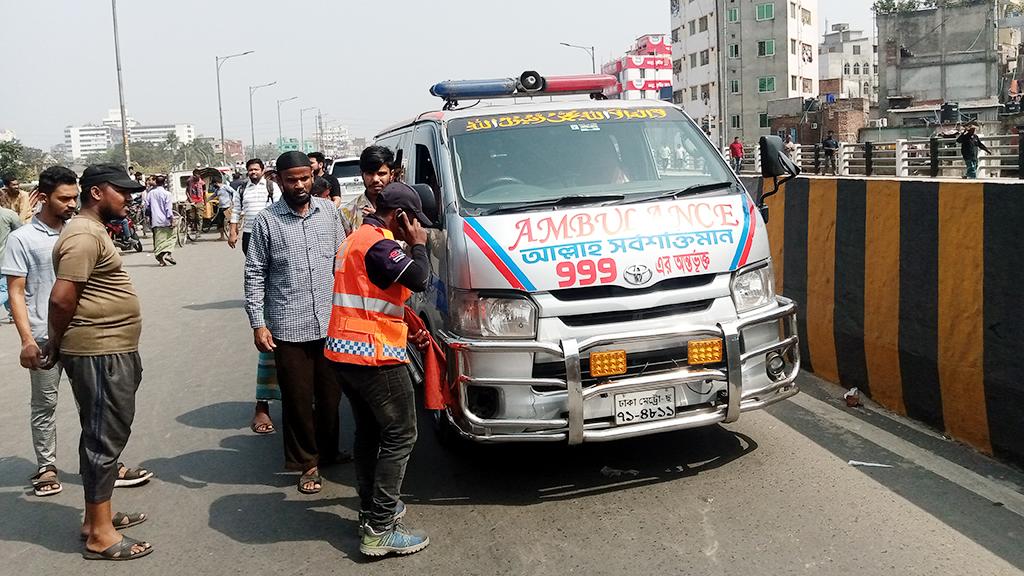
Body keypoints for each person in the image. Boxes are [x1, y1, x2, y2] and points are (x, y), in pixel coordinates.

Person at [44, 164, 153, 561]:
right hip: (100, 351)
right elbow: (61, 298)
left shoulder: (91, 232)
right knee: (104, 440)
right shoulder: (83, 234)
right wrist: (55, 343)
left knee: (98, 434)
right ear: (96, 193)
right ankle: (100, 536)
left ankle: (95, 519)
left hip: (110, 349)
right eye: (120, 190)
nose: (128, 197)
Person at [325, 181, 433, 557]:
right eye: (413, 220)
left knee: (370, 433)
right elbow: (420, 278)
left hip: (345, 353)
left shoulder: (357, 239)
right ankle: (382, 527)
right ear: (401, 217)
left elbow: (377, 296)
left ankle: (370, 510)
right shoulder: (381, 244)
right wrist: (417, 243)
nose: (415, 226)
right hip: (374, 357)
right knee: (401, 435)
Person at [244, 151, 348, 494]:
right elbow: (255, 274)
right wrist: (258, 322)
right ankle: (307, 463)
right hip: (289, 326)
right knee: (298, 399)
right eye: (292, 179)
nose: (300, 185)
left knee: (331, 396)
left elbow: (342, 261)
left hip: (331, 324)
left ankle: (329, 451)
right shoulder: (266, 222)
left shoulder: (329, 213)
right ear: (279, 180)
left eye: (305, 178)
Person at [229, 159, 280, 254]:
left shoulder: (272, 186)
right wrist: (232, 232)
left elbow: (280, 209)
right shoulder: (242, 189)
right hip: (249, 233)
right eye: (250, 170)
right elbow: (236, 211)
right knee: (252, 265)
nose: (253, 172)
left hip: (270, 233)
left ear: (262, 170)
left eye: (256, 169)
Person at [341, 146, 394, 235]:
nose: (375, 179)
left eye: (381, 174)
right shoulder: (347, 212)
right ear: (362, 175)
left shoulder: (403, 208)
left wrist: (381, 221)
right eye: (370, 173)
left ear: (391, 175)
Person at [146, 175, 175, 266]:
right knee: (171, 238)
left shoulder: (151, 193)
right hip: (165, 220)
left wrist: (148, 217)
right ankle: (169, 254)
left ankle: (161, 260)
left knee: (158, 241)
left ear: (156, 182)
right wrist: (172, 219)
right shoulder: (167, 194)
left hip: (155, 220)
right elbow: (168, 209)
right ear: (164, 183)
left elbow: (147, 206)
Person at [0, 205, 22, 323]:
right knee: (5, 289)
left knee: (6, 288)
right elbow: (20, 231)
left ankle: (12, 314)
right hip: (4, 259)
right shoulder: (9, 215)